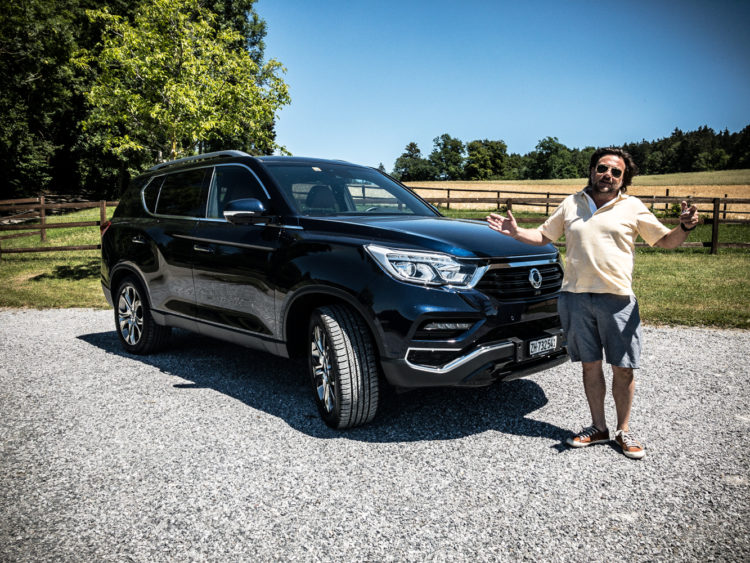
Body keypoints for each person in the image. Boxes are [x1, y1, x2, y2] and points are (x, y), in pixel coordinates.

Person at [487, 147, 699, 459]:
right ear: (592, 169)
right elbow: (544, 236)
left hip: (617, 299)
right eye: (603, 168)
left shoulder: (632, 207)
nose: (608, 176)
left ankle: (623, 431)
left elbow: (665, 240)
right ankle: (598, 428)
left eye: (616, 172)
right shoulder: (572, 202)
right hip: (574, 298)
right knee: (590, 365)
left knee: (623, 368)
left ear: (623, 179)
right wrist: (517, 232)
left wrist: (685, 227)